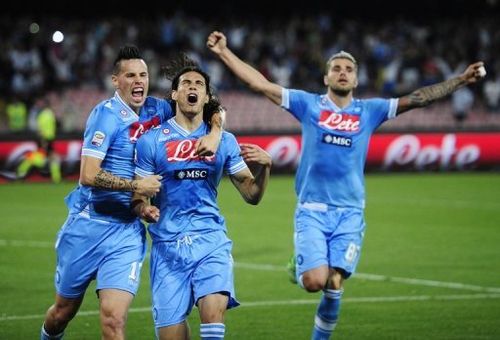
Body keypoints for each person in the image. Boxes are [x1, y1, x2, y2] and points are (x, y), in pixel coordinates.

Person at [207, 30, 486, 339]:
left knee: (335, 282)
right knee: (315, 281)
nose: (342, 73)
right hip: (312, 209)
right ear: (326, 77)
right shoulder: (309, 105)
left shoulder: (370, 111)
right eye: (336, 68)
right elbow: (259, 84)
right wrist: (223, 53)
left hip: (351, 212)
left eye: (349, 70)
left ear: (355, 80)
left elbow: (418, 99)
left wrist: (460, 80)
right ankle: (297, 267)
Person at [40, 46, 224, 340]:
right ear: (116, 81)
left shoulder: (156, 108)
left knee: (114, 321)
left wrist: (215, 133)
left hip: (126, 232)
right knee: (62, 312)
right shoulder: (106, 116)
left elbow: (211, 105)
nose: (138, 81)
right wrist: (134, 186)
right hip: (89, 225)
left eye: (143, 75)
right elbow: (87, 175)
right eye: (130, 75)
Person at [131, 56, 272, 339]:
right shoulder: (151, 140)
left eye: (199, 84)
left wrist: (265, 167)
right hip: (167, 247)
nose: (192, 87)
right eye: (186, 83)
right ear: (175, 94)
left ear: (206, 96)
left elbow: (251, 195)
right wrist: (144, 209)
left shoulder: (225, 141)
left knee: (212, 313)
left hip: (210, 241)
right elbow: (137, 196)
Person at [17, 96, 62, 183]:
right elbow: (54, 126)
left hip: (45, 140)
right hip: (48, 139)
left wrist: (43, 140)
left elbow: (41, 130)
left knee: (34, 158)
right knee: (52, 158)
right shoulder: (51, 114)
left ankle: (20, 174)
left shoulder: (42, 115)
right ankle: (56, 178)